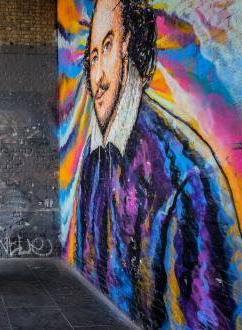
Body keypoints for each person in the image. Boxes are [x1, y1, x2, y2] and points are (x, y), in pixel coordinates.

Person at [76, 0, 242, 328]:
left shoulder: (187, 177)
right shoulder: (92, 163)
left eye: (107, 47)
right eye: (93, 56)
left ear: (129, 45)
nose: (97, 77)